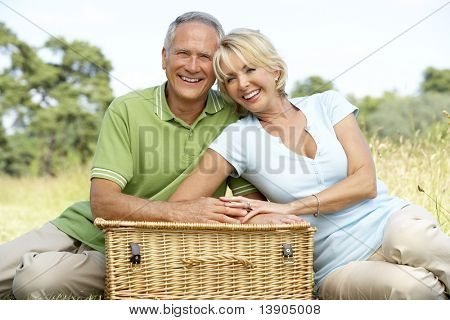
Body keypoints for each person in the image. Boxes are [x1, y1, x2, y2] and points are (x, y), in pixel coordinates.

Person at [170, 28, 450, 299]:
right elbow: (180, 205)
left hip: (390, 222)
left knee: (413, 239)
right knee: (415, 288)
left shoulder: (327, 104)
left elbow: (365, 183)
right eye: (230, 79)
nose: (242, 84)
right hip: (337, 265)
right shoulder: (236, 139)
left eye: (250, 69)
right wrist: (250, 217)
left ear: (275, 70)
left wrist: (291, 206)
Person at [0, 13, 265, 300]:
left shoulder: (235, 118)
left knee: (35, 281)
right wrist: (179, 212)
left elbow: (248, 206)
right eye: (182, 53)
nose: (192, 66)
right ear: (165, 58)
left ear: (216, 65)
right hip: (79, 227)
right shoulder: (127, 109)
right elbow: (102, 202)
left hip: (136, 251)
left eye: (204, 56)